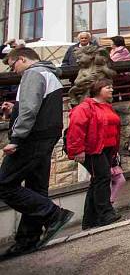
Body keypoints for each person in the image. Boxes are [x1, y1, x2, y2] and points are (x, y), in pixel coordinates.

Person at [0, 48, 73, 258]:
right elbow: (35, 106)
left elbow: (30, 109)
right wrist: (14, 108)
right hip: (46, 135)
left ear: (22, 59)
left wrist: (16, 138)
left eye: (13, 65)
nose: (13, 70)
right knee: (36, 187)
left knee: (4, 183)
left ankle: (53, 215)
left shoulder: (33, 73)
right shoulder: (49, 73)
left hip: (32, 137)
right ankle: (27, 239)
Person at [66, 78, 122, 230]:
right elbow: (76, 128)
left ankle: (90, 219)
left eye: (112, 87)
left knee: (98, 180)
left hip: (106, 149)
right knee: (102, 178)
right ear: (98, 89)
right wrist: (78, 150)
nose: (111, 90)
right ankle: (105, 214)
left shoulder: (107, 107)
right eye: (107, 87)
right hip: (93, 149)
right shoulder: (85, 107)